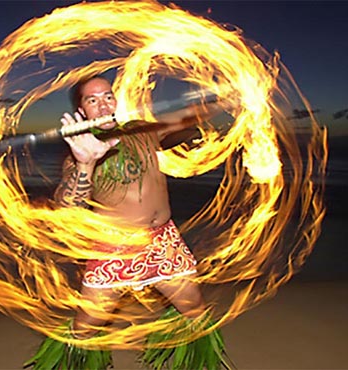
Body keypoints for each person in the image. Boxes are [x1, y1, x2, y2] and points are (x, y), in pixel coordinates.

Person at [25, 75, 231, 370]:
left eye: (107, 96)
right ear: (82, 111)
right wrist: (86, 163)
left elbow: (187, 116)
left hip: (162, 241)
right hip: (115, 247)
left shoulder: (141, 131)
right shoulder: (80, 153)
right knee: (87, 326)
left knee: (194, 309)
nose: (102, 104)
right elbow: (67, 204)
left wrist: (226, 98)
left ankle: (198, 364)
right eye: (92, 100)